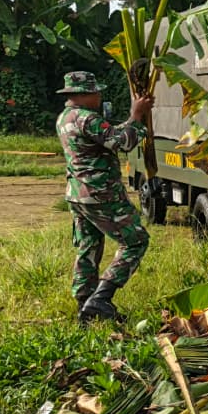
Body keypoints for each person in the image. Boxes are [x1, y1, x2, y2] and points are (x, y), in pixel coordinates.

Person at [55, 71, 153, 322]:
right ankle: (101, 298)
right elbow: (122, 143)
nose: (100, 96)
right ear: (84, 94)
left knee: (88, 247)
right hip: (101, 194)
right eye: (96, 91)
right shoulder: (88, 119)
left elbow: (107, 136)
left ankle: (84, 306)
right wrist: (137, 116)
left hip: (78, 194)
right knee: (136, 240)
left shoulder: (66, 117)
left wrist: (131, 120)